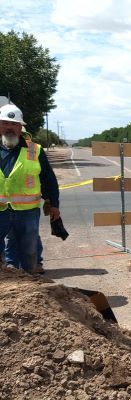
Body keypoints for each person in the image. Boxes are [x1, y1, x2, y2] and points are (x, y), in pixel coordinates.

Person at [0, 104, 60, 273]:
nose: (9, 127)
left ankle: (33, 284)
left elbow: (48, 179)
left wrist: (54, 203)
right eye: (5, 123)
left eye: (14, 124)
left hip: (27, 212)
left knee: (29, 251)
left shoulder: (35, 150)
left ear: (21, 127)